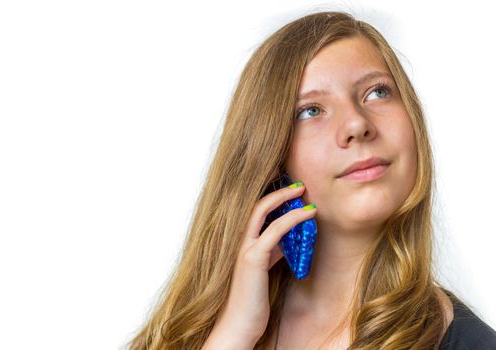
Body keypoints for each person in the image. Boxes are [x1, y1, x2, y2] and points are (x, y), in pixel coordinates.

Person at [126, 10, 496, 350]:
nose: (356, 124)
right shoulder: (188, 333)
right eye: (311, 110)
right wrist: (234, 333)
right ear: (269, 154)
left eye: (377, 92)